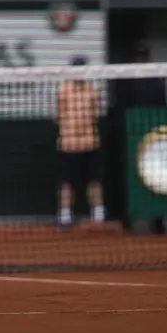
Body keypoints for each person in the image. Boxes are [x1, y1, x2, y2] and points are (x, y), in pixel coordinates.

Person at [56, 56, 105, 227]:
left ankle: (98, 215)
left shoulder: (91, 91)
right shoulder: (63, 90)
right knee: (67, 182)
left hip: (90, 143)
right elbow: (59, 116)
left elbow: (95, 116)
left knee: (94, 180)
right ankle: (65, 216)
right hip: (69, 145)